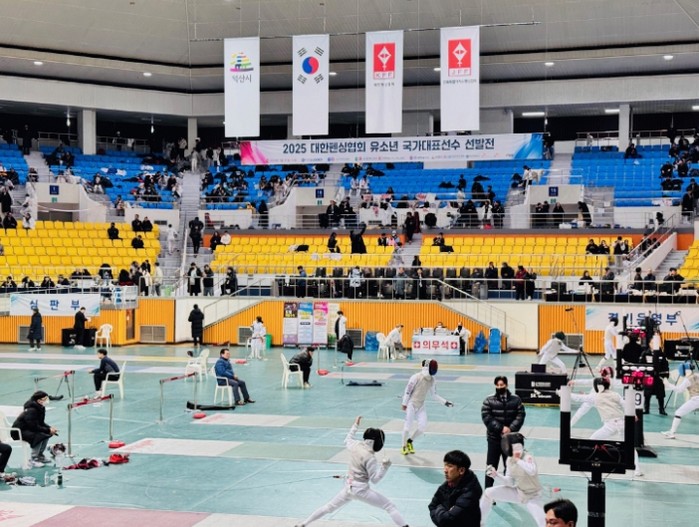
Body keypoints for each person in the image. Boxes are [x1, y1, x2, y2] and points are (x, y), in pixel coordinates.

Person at [295, 416, 408, 527]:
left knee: (329, 507)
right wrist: (385, 467)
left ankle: (303, 524)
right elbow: (375, 480)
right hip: (361, 491)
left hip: (348, 489)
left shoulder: (355, 445)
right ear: (374, 442)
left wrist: (355, 425)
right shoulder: (370, 458)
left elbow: (348, 439)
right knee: (390, 506)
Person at [570, 376, 642, 477]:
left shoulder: (595, 396)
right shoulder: (615, 394)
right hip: (623, 424)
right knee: (629, 446)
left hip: (610, 426)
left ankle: (591, 462)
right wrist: (633, 414)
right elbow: (626, 405)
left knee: (592, 440)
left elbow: (578, 398)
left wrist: (562, 393)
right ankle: (637, 470)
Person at [480, 433, 546, 527]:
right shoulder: (509, 460)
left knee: (544, 524)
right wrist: (496, 475)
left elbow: (532, 471)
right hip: (519, 493)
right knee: (488, 492)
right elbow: (510, 482)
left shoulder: (528, 457)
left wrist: (518, 460)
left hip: (533, 496)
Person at [481, 376, 526, 488]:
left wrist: (510, 429)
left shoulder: (516, 400)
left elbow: (520, 415)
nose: (499, 387)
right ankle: (488, 491)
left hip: (510, 440)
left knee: (510, 467)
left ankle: (508, 490)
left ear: (506, 385)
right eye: (497, 385)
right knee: (491, 466)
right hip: (494, 439)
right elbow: (487, 417)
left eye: (502, 385)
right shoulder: (489, 400)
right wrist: (501, 428)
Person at [400, 359, 453, 455]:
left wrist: (445, 402)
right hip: (411, 404)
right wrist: (404, 403)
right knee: (407, 428)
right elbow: (408, 391)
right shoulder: (416, 377)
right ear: (427, 367)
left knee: (422, 427)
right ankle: (403, 446)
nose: (435, 369)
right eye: (433, 367)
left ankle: (409, 441)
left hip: (421, 406)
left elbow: (434, 395)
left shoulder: (432, 380)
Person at [428, 450, 482, 527]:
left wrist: (439, 508)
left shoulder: (470, 492)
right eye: (445, 465)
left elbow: (448, 520)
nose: (445, 470)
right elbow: (432, 506)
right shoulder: (448, 485)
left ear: (461, 470)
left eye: (450, 466)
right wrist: (444, 513)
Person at [11, 391, 59, 467]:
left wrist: (49, 428)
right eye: (45, 399)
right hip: (19, 431)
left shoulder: (41, 407)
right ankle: (34, 458)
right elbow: (33, 426)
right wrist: (48, 430)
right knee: (39, 435)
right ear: (39, 400)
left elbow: (40, 423)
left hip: (28, 428)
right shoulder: (31, 410)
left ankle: (40, 455)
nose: (47, 400)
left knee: (47, 434)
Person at [662, 363, 699, 439]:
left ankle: (672, 433)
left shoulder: (687, 379)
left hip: (696, 400)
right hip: (696, 399)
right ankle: (671, 432)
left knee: (678, 413)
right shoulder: (697, 375)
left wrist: (668, 384)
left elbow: (679, 390)